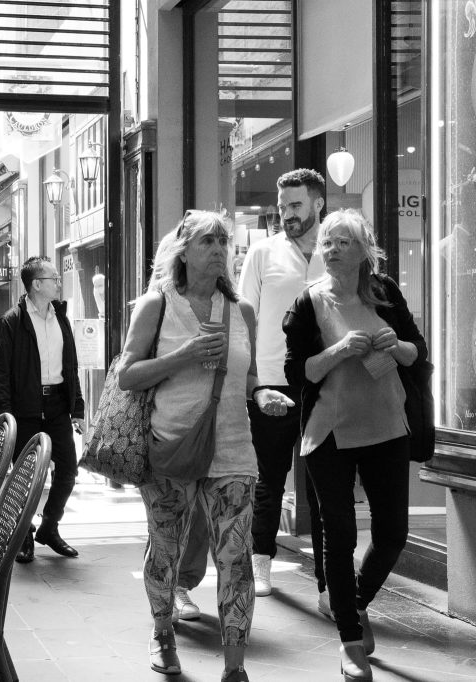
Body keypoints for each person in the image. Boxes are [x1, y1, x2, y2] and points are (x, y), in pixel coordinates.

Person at [116, 210, 269, 681]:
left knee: (235, 557)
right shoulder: (157, 305)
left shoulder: (242, 311)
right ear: (185, 251)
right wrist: (183, 356)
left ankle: (235, 666)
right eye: (209, 241)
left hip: (234, 451)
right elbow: (126, 374)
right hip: (172, 448)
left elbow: (252, 380)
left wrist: (264, 395)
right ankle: (162, 633)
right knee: (166, 550)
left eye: (224, 241)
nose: (220, 249)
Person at [283, 209, 424, 682]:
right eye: (327, 241)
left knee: (392, 535)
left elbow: (416, 351)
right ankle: (349, 642)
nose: (333, 248)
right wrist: (339, 351)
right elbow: (298, 372)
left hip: (386, 426)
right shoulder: (310, 302)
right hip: (331, 433)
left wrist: (396, 346)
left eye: (344, 241)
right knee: (339, 535)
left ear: (365, 249)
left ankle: (354, 602)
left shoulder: (385, 292)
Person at [239, 168, 328, 607]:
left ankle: (330, 581)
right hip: (274, 382)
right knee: (269, 478)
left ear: (317, 203)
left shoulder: (336, 251)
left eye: (295, 205)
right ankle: (260, 561)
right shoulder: (262, 253)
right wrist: (251, 382)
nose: (287, 214)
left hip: (327, 384)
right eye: (282, 207)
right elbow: (245, 321)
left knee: (324, 483)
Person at [0, 256, 85, 563]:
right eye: (53, 278)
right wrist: (5, 418)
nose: (59, 282)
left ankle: (49, 526)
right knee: (25, 476)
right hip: (25, 409)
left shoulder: (62, 318)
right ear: (36, 285)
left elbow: (71, 366)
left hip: (58, 405)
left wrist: (78, 408)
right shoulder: (12, 321)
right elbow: (1, 375)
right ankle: (24, 536)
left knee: (68, 470)